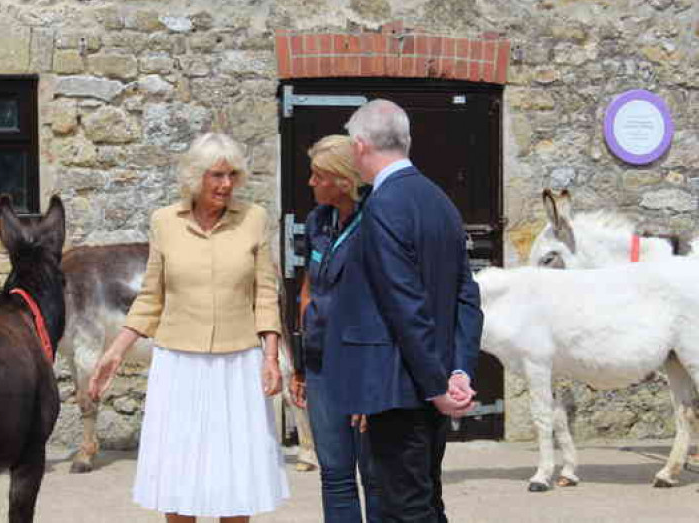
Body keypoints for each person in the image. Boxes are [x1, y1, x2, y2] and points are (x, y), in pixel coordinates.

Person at [88, 132, 289, 523]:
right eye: (216, 175)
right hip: (179, 366)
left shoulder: (254, 219)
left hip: (238, 367)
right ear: (196, 177)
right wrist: (115, 351)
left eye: (232, 174)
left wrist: (269, 356)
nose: (226, 184)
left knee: (235, 481)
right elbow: (150, 297)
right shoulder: (165, 222)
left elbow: (265, 293)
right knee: (180, 475)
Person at [324, 99, 483, 523]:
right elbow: (466, 296)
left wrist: (437, 387)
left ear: (359, 146)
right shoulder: (440, 201)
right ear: (406, 141)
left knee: (405, 509)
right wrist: (459, 371)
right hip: (429, 382)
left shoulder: (383, 205)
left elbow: (403, 304)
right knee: (425, 501)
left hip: (398, 388)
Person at [289, 135, 381, 523]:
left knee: (375, 476)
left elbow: (384, 302)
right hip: (321, 363)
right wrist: (299, 364)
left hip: (362, 365)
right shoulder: (317, 221)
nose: (311, 183)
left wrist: (374, 383)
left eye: (319, 176)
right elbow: (308, 288)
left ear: (344, 180)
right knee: (335, 473)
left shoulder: (376, 221)